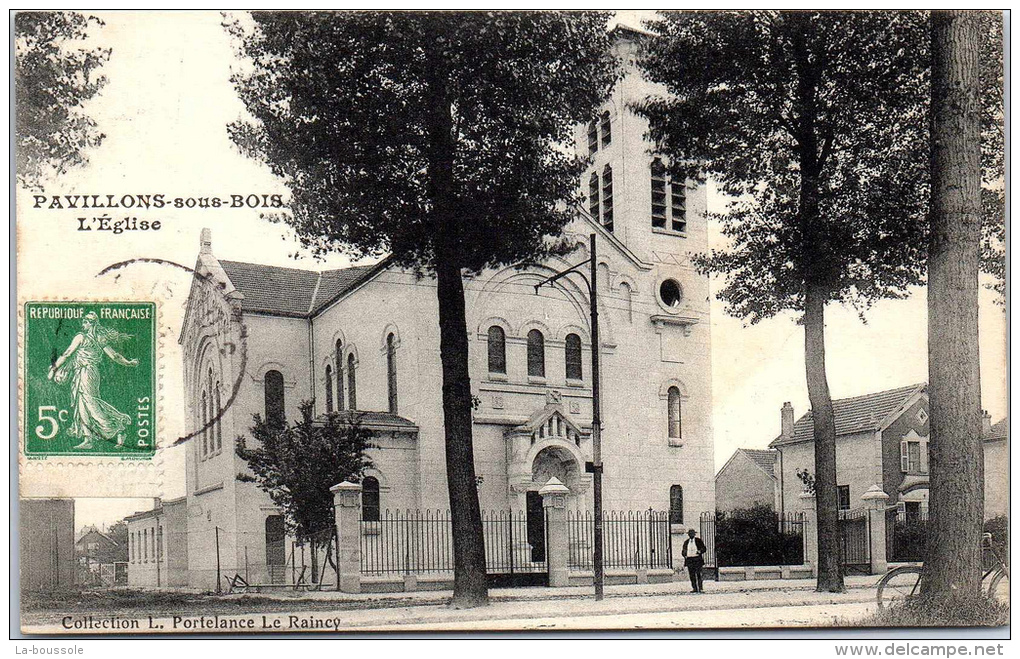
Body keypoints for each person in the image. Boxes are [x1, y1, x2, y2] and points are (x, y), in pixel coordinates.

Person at [47, 311, 139, 449]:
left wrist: (54, 368)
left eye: (85, 321)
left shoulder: (80, 337)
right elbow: (115, 356)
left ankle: (119, 426)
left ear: (91, 324)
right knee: (82, 404)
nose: (83, 323)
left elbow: (67, 353)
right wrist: (129, 362)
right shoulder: (100, 338)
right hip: (85, 372)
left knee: (90, 403)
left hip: (87, 372)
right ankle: (88, 438)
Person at [681, 528, 706, 593]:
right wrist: (684, 554)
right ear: (688, 535)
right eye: (690, 534)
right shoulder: (686, 542)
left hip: (697, 559)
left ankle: (700, 588)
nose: (691, 535)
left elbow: (704, 548)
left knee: (698, 574)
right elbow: (683, 550)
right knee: (691, 575)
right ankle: (694, 588)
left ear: (694, 534)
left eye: (692, 533)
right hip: (690, 559)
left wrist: (699, 551)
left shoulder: (698, 541)